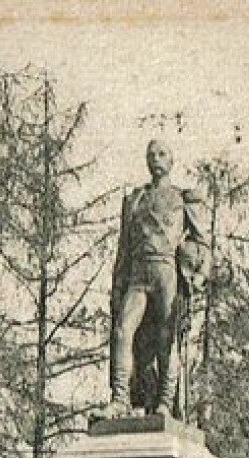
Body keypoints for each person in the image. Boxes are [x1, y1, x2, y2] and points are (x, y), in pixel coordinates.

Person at [106, 139, 209, 419]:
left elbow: (203, 243)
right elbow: (123, 249)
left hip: (166, 271)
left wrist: (199, 276)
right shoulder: (135, 200)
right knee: (122, 332)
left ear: (171, 160)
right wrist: (116, 285)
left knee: (166, 338)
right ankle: (120, 398)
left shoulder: (182, 199)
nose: (156, 159)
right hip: (138, 273)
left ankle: (165, 401)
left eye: (162, 154)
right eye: (151, 154)